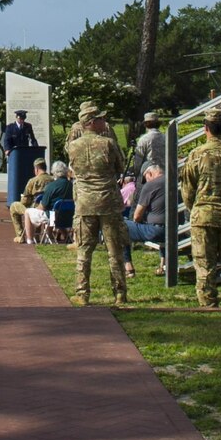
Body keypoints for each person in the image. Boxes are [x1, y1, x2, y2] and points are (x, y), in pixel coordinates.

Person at [179, 110, 221, 308]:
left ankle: (208, 302)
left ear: (206, 129)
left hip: (204, 215)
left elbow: (188, 189)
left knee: (204, 262)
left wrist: (195, 208)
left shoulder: (196, 154)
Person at [67, 103, 128, 306]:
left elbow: (74, 171)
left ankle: (82, 293)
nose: (105, 122)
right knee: (114, 250)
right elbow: (120, 167)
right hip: (108, 202)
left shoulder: (73, 146)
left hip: (84, 203)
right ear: (92, 123)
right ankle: (119, 293)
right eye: (101, 119)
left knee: (84, 250)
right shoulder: (109, 143)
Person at [11, 158, 50, 244]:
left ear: (36, 169)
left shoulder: (33, 181)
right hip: (48, 209)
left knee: (14, 206)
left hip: (35, 209)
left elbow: (25, 201)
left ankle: (20, 235)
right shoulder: (52, 180)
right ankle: (36, 236)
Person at [127, 163, 166, 245]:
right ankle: (164, 258)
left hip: (156, 231)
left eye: (145, 178)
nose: (146, 181)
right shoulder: (173, 181)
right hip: (176, 230)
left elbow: (136, 216)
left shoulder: (151, 185)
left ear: (150, 173)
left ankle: (125, 258)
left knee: (121, 225)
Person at [134, 113, 163, 180]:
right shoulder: (165, 137)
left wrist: (136, 174)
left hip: (150, 175)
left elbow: (138, 160)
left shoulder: (144, 139)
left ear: (145, 124)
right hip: (164, 174)